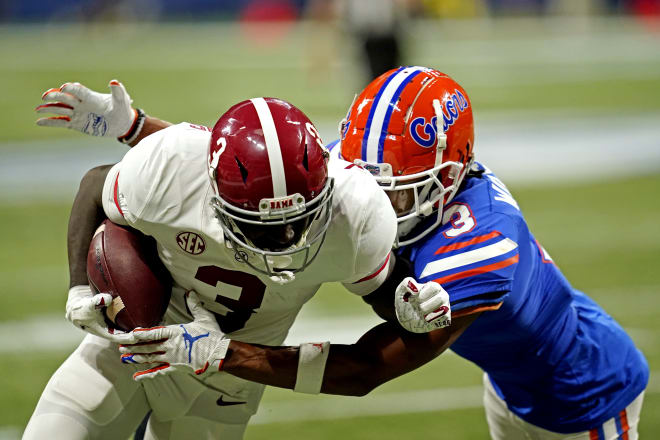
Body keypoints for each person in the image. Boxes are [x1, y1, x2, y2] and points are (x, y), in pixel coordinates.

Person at [122, 67, 648, 439]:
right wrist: (135, 129)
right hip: (511, 384)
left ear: (448, 178)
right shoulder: (407, 186)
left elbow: (365, 370)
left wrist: (222, 354)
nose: (371, 200)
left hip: (584, 394)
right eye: (364, 178)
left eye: (393, 191)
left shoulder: (482, 247)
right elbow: (260, 177)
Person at [27, 81, 453, 439]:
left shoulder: (355, 211)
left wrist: (408, 306)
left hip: (230, 378)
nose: (283, 238)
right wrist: (78, 288)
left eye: (297, 220)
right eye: (259, 224)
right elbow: (96, 185)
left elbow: (385, 288)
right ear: (213, 195)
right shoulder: (173, 168)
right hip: (133, 344)